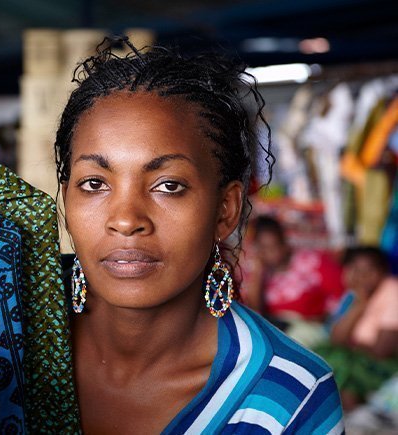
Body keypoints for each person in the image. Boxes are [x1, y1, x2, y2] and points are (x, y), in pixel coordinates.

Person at [54, 37, 343, 433]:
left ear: (225, 210)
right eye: (94, 184)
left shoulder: (289, 398)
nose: (125, 220)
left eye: (168, 185)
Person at [317, 246, 398, 410]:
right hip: (357, 359)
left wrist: (351, 348)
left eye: (369, 270)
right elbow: (336, 339)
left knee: (340, 364)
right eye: (357, 270)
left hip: (384, 365)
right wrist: (360, 305)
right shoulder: (354, 295)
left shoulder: (392, 291)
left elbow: (382, 350)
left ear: (382, 271)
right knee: (320, 355)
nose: (363, 277)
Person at [243, 215, 345, 321]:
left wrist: (323, 320)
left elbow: (342, 296)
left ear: (283, 241)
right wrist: (258, 273)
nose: (268, 253)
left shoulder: (312, 262)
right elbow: (254, 313)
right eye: (262, 248)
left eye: (272, 246)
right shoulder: (257, 276)